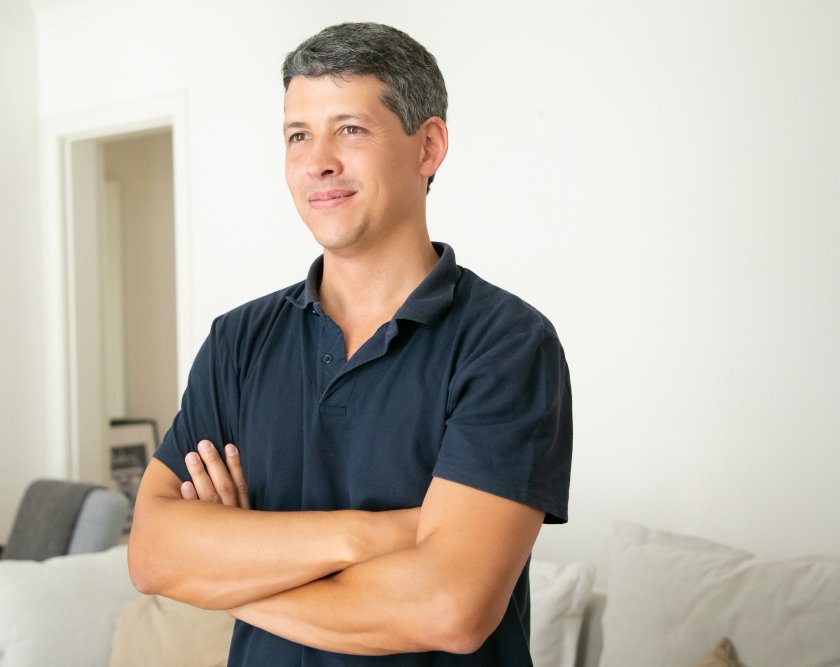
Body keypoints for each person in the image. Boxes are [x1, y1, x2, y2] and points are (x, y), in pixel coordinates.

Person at [128, 22, 572, 666]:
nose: (319, 162)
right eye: (298, 135)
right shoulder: (238, 341)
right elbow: (151, 554)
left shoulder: (506, 344)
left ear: (429, 146)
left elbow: (449, 610)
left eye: (351, 129)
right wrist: (371, 535)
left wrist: (224, 574)